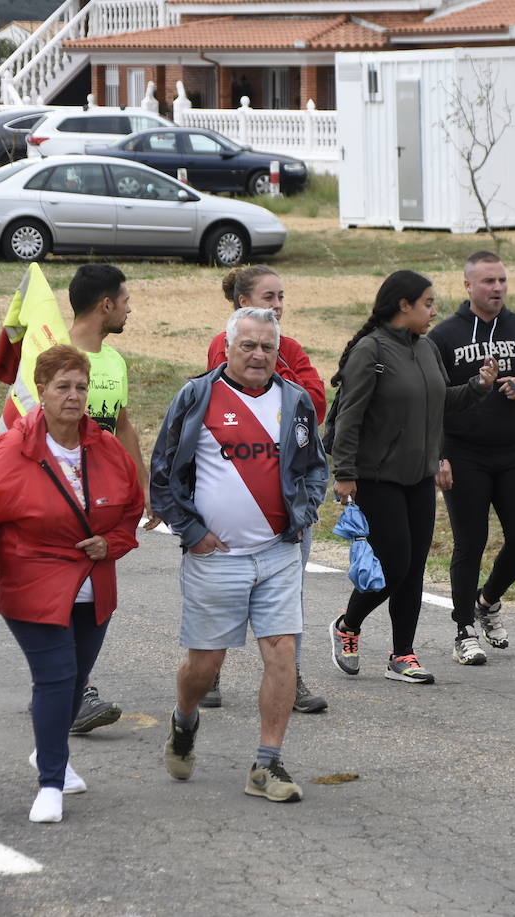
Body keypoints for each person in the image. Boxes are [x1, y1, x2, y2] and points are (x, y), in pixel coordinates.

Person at [0, 345, 143, 823]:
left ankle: (47, 749)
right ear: (42, 392)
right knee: (55, 677)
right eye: (63, 387)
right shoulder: (13, 450)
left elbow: (130, 509)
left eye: (81, 386)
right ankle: (51, 783)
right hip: (30, 584)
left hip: (93, 588)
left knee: (75, 681)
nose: (74, 396)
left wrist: (112, 543)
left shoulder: (107, 447)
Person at [150, 307, 327, 803]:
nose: (258, 355)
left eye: (267, 347)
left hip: (277, 554)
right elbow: (163, 472)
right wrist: (191, 531)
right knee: (204, 666)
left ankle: (266, 765)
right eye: (248, 345)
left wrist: (305, 512)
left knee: (283, 654)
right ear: (227, 348)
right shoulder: (197, 396)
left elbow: (316, 465)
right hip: (215, 558)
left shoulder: (294, 401)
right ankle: (184, 722)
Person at [326, 270, 496, 685]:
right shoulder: (371, 351)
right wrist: (345, 474)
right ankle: (348, 625)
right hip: (376, 477)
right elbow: (349, 416)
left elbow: (440, 402)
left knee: (413, 567)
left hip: (418, 477)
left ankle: (402, 654)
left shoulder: (426, 349)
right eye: (428, 303)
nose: (434, 310)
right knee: (394, 565)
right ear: (404, 305)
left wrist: (478, 386)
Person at [205, 265, 327, 714]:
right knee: (226, 589)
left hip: (288, 496)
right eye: (268, 297)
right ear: (243, 305)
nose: (277, 305)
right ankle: (209, 669)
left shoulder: (290, 349)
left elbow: (314, 402)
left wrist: (282, 376)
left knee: (288, 593)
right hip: (237, 492)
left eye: (281, 296)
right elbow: (233, 393)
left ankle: (288, 678)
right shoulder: (226, 344)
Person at [428, 252, 515, 665]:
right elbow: (431, 402)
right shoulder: (444, 336)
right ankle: (464, 629)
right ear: (468, 286)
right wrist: (440, 456)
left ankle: (488, 601)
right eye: (488, 281)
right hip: (464, 452)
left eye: (502, 280)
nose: (497, 288)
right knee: (472, 541)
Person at [64, 263, 153, 734]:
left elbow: (121, 426)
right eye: (125, 299)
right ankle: (72, 691)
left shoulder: (114, 363)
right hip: (58, 503)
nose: (129, 308)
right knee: (64, 596)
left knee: (95, 597)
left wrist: (144, 486)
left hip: (101, 507)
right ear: (105, 305)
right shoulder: (54, 356)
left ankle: (69, 687)